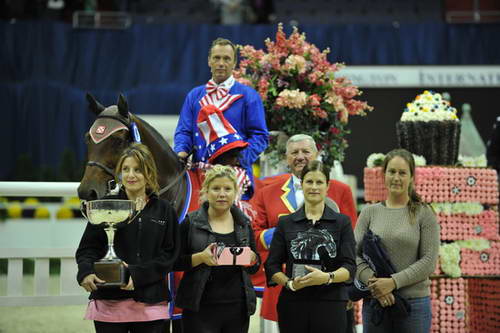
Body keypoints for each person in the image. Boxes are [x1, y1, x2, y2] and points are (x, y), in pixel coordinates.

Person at [250, 134, 358, 330]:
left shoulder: (340, 190)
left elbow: (352, 243)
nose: (300, 156)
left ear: (317, 154)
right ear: (286, 158)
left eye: (306, 151)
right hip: (287, 289)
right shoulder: (267, 191)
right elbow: (254, 235)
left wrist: (349, 289)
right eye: (294, 152)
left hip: (332, 293)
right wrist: (286, 232)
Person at [76, 143, 180, 333]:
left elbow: (169, 256)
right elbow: (87, 249)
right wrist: (85, 272)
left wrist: (137, 274)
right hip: (109, 303)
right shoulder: (105, 206)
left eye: (137, 170)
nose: (131, 175)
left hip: (151, 303)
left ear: (149, 173)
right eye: (125, 169)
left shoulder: (164, 210)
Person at [354, 148, 440, 333]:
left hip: (414, 306)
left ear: (411, 178)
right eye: (392, 171)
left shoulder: (424, 213)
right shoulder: (369, 213)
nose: (396, 177)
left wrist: (392, 283)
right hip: (375, 302)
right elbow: (354, 255)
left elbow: (428, 261)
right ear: (383, 174)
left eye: (402, 173)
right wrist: (376, 285)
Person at [174, 37, 268, 200]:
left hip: (235, 176)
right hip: (199, 176)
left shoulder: (248, 96)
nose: (221, 63)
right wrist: (181, 151)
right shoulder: (194, 96)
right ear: (209, 61)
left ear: (234, 63)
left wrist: (240, 158)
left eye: (226, 59)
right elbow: (184, 131)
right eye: (217, 58)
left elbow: (260, 136)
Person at [174, 165, 261, 333]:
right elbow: (174, 262)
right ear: (206, 191)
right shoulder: (190, 223)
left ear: (235, 192)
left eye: (227, 189)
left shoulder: (244, 223)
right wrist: (200, 257)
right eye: (216, 188)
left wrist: (253, 259)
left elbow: (255, 266)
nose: (222, 194)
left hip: (238, 307)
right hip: (199, 307)